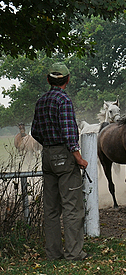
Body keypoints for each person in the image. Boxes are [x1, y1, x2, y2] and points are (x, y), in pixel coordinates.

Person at [31, 62, 90, 261]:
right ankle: (74, 253)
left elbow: (35, 132)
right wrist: (79, 158)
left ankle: (53, 253)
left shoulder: (41, 101)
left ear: (48, 80)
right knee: (72, 207)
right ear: (68, 80)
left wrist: (49, 145)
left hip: (47, 155)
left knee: (51, 209)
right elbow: (68, 133)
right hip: (64, 156)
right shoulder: (63, 101)